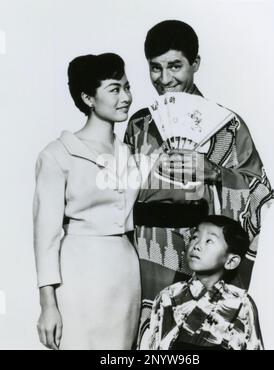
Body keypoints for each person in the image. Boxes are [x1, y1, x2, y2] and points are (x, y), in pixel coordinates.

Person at [124, 20, 274, 347]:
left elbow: (259, 191)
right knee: (152, 340)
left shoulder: (228, 127)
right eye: (155, 68)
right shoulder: (139, 124)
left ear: (195, 64)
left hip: (204, 251)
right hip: (147, 251)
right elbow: (120, 195)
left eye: (175, 66)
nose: (165, 79)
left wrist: (214, 172)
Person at [33, 53, 141, 350]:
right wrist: (48, 304)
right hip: (79, 273)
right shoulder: (57, 154)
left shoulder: (130, 154)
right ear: (88, 98)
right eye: (115, 89)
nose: (126, 97)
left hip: (126, 272)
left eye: (127, 87)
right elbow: (46, 236)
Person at [147, 215, 264, 350]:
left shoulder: (241, 302)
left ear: (231, 262)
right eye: (195, 237)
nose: (196, 246)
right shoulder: (169, 296)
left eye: (209, 241)